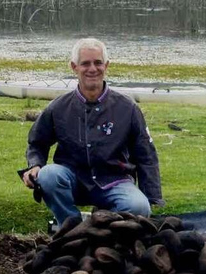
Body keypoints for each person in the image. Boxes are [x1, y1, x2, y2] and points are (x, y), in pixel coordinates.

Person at [21, 38, 163, 225]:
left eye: (98, 63)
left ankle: (103, 231)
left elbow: (146, 154)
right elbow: (37, 142)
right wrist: (35, 165)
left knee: (139, 207)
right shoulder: (58, 107)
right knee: (48, 175)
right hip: (72, 179)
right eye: (85, 63)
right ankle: (70, 226)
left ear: (106, 65)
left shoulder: (128, 108)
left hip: (115, 181)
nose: (92, 69)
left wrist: (151, 197)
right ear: (74, 67)